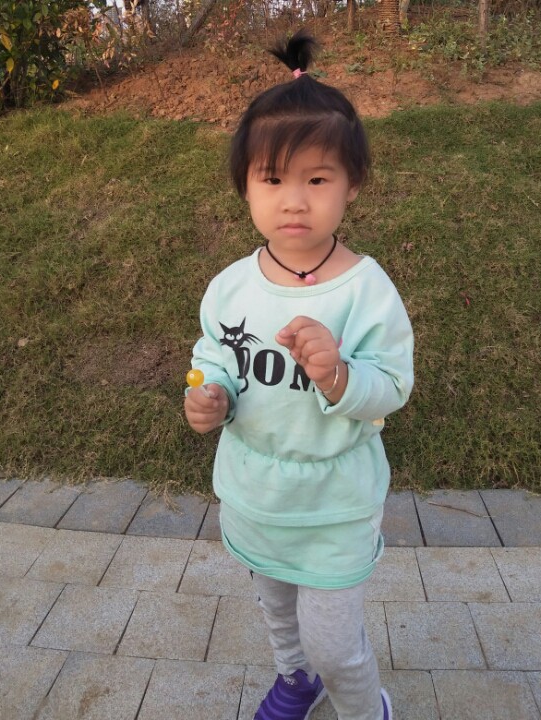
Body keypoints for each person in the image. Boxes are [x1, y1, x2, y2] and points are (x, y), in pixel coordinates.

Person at [184, 29, 414, 720]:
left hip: (334, 504)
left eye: (317, 180)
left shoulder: (365, 289)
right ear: (245, 186)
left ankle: (363, 707)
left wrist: (339, 375)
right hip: (257, 495)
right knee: (279, 613)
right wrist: (210, 396)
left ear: (351, 185)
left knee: (334, 643)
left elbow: (392, 385)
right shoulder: (231, 286)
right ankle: (294, 680)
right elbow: (213, 355)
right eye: (272, 179)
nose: (294, 200)